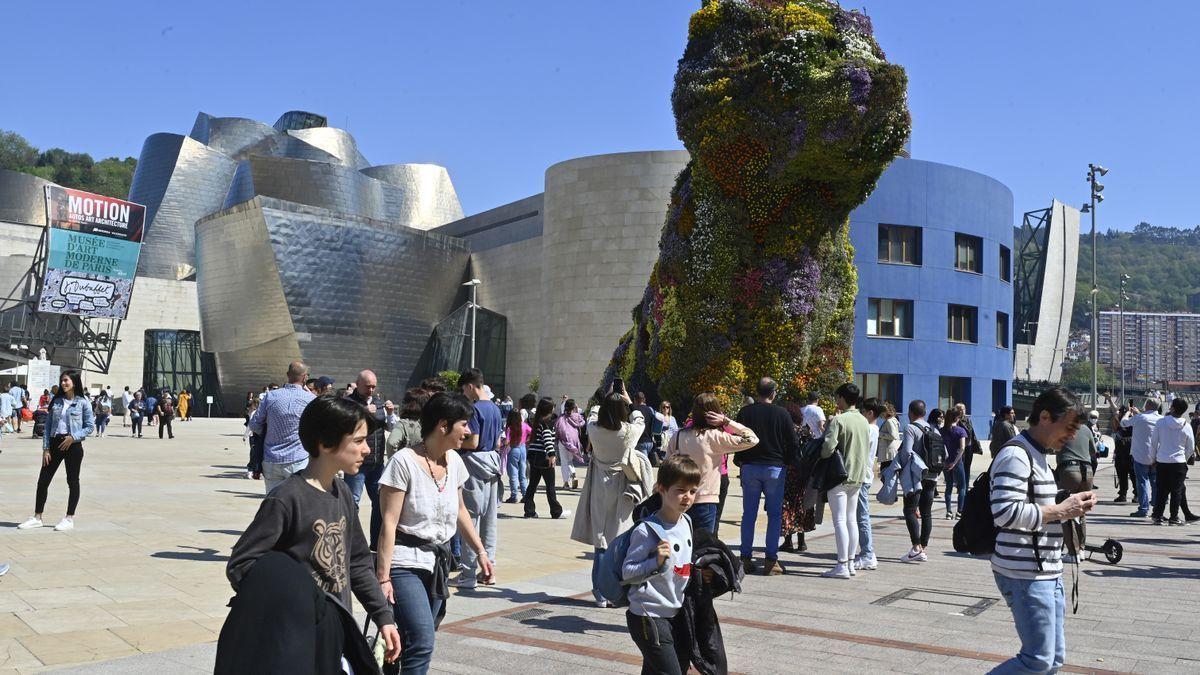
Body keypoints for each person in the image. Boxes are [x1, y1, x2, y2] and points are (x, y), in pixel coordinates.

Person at [222, 395, 402, 672]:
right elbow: (242, 564)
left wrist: (383, 616)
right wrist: (294, 599)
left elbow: (357, 563)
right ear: (326, 442)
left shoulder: (341, 492)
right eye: (358, 441)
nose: (367, 449)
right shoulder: (287, 499)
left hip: (335, 633)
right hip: (297, 642)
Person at [375, 392, 494, 674]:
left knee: (404, 642)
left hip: (437, 564)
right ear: (443, 425)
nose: (468, 431)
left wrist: (481, 552)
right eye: (463, 424)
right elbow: (388, 523)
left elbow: (461, 511)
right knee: (422, 640)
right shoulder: (404, 462)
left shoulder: (454, 462)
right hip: (405, 563)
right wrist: (383, 577)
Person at [990, 387, 1096, 674]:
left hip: (1046, 571)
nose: (1072, 435)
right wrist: (1062, 510)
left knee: (1052, 661)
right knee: (1037, 660)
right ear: (1045, 417)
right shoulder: (1016, 454)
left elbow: (1034, 505)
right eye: (1069, 427)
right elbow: (1004, 513)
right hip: (1023, 573)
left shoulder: (1038, 454)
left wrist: (1068, 504)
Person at [621, 454, 703, 675]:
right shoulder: (647, 531)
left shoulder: (686, 522)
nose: (687, 497)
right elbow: (627, 572)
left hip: (673, 613)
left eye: (693, 491)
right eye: (680, 490)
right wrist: (654, 561)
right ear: (661, 489)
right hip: (648, 616)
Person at [572, 389, 651, 607]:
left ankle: (599, 591)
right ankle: (614, 590)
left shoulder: (594, 429)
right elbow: (640, 420)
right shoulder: (627, 432)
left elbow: (592, 414)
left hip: (598, 484)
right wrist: (630, 403)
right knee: (617, 540)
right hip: (621, 487)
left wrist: (603, 400)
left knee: (601, 540)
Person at [734, 377, 800, 576]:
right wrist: (789, 462)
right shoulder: (782, 413)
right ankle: (771, 560)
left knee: (749, 514)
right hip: (775, 468)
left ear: (757, 392)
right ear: (773, 393)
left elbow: (737, 438)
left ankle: (745, 557)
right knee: (774, 515)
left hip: (750, 467)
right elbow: (793, 442)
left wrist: (741, 460)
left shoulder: (745, 412)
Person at [669, 392, 758, 534]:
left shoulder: (678, 435)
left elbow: (667, 466)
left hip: (680, 498)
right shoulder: (715, 437)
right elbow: (752, 439)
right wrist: (726, 421)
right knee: (703, 547)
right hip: (705, 498)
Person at [17, 372, 95, 532]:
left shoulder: (83, 402)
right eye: (62, 380)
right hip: (54, 444)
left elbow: (89, 426)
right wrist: (46, 448)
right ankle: (37, 517)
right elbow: (47, 427)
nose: (63, 383)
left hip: (73, 446)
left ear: (74, 381)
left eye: (66, 380)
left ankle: (69, 518)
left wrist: (73, 437)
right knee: (43, 480)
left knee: (72, 481)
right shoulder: (57, 401)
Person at [454, 368, 504, 588]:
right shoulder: (494, 408)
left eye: (464, 389)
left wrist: (453, 442)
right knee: (490, 520)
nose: (465, 394)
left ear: (471, 386)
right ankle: (489, 570)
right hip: (492, 463)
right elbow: (498, 442)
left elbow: (472, 442)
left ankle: (468, 573)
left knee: (470, 519)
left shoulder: (474, 410)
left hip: (473, 464)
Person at [818, 383, 873, 579]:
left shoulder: (839, 420)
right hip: (858, 476)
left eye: (837, 397)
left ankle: (842, 565)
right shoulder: (864, 421)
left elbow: (827, 449)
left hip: (839, 476)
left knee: (839, 520)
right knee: (851, 520)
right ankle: (849, 562)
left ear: (842, 398)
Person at [343, 370, 396, 549]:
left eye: (373, 386)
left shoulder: (379, 402)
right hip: (356, 463)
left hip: (377, 464)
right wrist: (364, 412)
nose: (371, 390)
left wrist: (389, 413)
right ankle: (350, 544)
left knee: (381, 504)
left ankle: (375, 543)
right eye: (368, 386)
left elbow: (389, 427)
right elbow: (345, 425)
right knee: (352, 504)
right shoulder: (348, 403)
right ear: (358, 384)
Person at [248, 361, 317, 493]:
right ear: (305, 377)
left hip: (271, 458)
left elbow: (254, 424)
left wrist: (270, 430)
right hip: (298, 459)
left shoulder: (271, 396)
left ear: (287, 375)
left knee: (274, 503)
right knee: (297, 503)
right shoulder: (310, 399)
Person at [897, 400, 938, 563]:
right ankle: (923, 548)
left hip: (916, 477)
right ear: (924, 412)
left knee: (909, 510)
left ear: (910, 412)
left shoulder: (910, 428)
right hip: (932, 476)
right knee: (926, 512)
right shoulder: (934, 429)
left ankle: (916, 547)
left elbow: (906, 452)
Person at [523, 397, 569, 521]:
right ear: (549, 408)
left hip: (534, 458)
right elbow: (547, 440)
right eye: (553, 405)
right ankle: (556, 511)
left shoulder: (537, 422)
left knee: (532, 485)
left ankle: (529, 511)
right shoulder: (547, 423)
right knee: (550, 487)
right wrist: (552, 455)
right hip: (544, 459)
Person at [1151, 397, 1194, 525]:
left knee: (1161, 489)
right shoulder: (1187, 426)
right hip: (1179, 462)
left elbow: (1153, 443)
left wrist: (1153, 458)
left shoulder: (1161, 422)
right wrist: (1184, 459)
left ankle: (1157, 515)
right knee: (1177, 490)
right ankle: (1174, 517)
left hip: (1162, 460)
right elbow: (1190, 447)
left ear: (1172, 408)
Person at [779, 402, 815, 554]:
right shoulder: (806, 430)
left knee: (787, 504)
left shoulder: (785, 431)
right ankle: (802, 541)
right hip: (804, 472)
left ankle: (788, 541)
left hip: (788, 471)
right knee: (802, 503)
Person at [855, 397, 884, 572]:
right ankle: (865, 552)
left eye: (862, 411)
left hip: (862, 476)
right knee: (861, 515)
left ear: (870, 413)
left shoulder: (869, 428)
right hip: (865, 475)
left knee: (862, 516)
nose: (860, 414)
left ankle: (867, 553)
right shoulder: (874, 428)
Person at [1122, 400, 1162, 518]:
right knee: (1155, 482)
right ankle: (1156, 506)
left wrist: (1128, 413)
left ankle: (1143, 509)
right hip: (1157, 456)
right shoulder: (1161, 419)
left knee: (1142, 482)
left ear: (1148, 405)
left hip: (1140, 455)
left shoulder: (1140, 417)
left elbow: (1124, 423)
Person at [1107, 395, 1135, 503]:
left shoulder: (1133, 421)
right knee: (1122, 475)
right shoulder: (1119, 420)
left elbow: (1116, 412)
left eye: (1123, 412)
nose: (1121, 414)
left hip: (1131, 454)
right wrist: (1109, 400)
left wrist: (1131, 412)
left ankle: (1136, 494)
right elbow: (1115, 411)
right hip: (1120, 453)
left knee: (1134, 476)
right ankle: (1123, 494)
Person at [941, 408, 968, 519]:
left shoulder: (942, 431)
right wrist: (955, 462)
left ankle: (948, 512)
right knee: (962, 487)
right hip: (957, 462)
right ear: (957, 418)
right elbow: (962, 448)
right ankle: (959, 512)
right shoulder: (960, 431)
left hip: (945, 462)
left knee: (948, 487)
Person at [555, 398, 586, 490]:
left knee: (564, 462)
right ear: (573, 407)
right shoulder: (576, 416)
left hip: (563, 441)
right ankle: (573, 473)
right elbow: (582, 422)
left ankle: (566, 483)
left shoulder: (561, 417)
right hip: (574, 441)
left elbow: (557, 427)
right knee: (569, 460)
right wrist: (576, 411)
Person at [502, 410, 529, 503]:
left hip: (513, 449)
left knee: (513, 473)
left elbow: (507, 441)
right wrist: (526, 440)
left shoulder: (509, 427)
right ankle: (525, 495)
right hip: (523, 448)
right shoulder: (524, 425)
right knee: (522, 473)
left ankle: (514, 496)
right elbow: (532, 432)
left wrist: (503, 443)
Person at [955, 403, 982, 480]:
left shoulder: (967, 419)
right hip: (960, 446)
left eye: (964, 409)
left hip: (969, 446)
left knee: (967, 466)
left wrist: (975, 444)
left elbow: (971, 432)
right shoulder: (955, 420)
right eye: (960, 409)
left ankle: (965, 486)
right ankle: (960, 485)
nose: (962, 411)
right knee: (960, 466)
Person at [631, 392, 659, 464]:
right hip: (650, 442)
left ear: (635, 400)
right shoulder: (650, 410)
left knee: (644, 466)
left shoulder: (635, 410)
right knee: (646, 464)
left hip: (641, 441)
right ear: (644, 399)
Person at [877, 402, 900, 472]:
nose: (880, 415)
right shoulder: (892, 420)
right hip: (889, 453)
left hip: (888, 454)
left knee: (887, 473)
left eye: (881, 412)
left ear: (885, 412)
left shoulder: (889, 421)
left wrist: (879, 434)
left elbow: (893, 436)